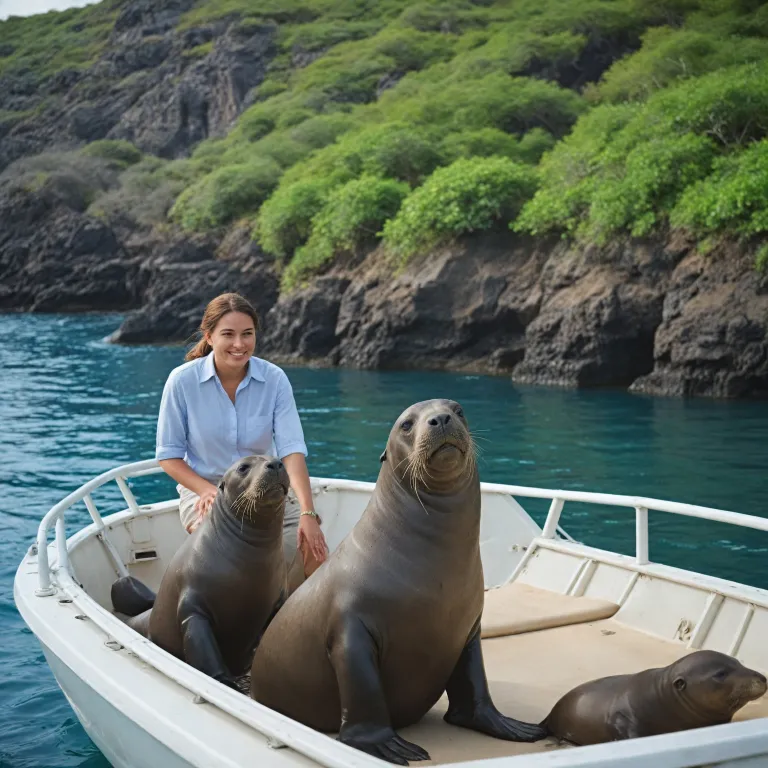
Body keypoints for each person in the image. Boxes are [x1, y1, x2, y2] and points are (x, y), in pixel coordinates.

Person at [154, 292, 328, 585]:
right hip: (207, 488)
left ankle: (291, 621)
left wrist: (308, 513)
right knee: (226, 556)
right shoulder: (182, 382)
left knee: (308, 548)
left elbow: (292, 452)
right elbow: (169, 456)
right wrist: (207, 491)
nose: (239, 344)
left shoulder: (274, 379)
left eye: (247, 334)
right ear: (209, 336)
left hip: (266, 486)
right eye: (228, 334)